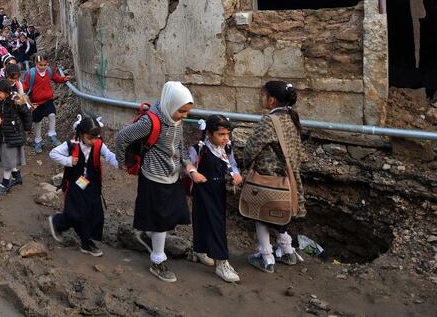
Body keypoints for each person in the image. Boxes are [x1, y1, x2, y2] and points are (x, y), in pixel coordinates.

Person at [114, 81, 197, 283]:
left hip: (172, 175)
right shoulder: (150, 122)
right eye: (182, 111)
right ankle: (157, 260)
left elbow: (180, 146)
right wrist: (121, 160)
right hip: (154, 177)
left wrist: (188, 166)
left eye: (186, 112)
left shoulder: (175, 119)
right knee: (161, 219)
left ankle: (148, 234)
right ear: (171, 104)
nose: (184, 116)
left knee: (170, 215)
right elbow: (122, 137)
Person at [238, 80, 306, 274]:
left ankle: (266, 256)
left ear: (272, 101)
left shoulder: (270, 121)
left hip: (269, 177)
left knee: (261, 214)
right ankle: (287, 250)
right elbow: (300, 151)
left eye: (263, 96)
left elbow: (252, 147)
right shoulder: (292, 118)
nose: (261, 99)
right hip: (289, 177)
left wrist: (246, 163)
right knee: (280, 213)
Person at [48, 116, 118, 256]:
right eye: (90, 138)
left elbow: (109, 156)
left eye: (96, 137)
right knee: (76, 213)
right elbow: (53, 153)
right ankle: (57, 222)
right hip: (75, 184)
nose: (93, 141)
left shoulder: (98, 144)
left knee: (95, 213)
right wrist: (68, 160)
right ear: (81, 133)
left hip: (92, 183)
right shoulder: (72, 144)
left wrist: (121, 164)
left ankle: (87, 242)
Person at [188, 115, 242, 283]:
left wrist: (236, 174)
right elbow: (187, 164)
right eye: (221, 134)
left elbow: (232, 164)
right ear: (209, 133)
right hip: (202, 189)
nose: (225, 138)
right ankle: (222, 262)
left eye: (228, 134)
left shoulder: (227, 148)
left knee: (212, 220)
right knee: (209, 221)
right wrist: (193, 173)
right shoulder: (199, 149)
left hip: (218, 190)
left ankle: (200, 249)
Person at [0, 78, 32, 196]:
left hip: (13, 134)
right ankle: (17, 177)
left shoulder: (15, 100)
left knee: (7, 161)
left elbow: (26, 113)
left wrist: (27, 128)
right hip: (4, 134)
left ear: (6, 92)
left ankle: (4, 184)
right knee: (9, 158)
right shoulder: (0, 101)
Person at [22, 55, 70, 153]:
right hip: (36, 103)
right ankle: (38, 140)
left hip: (48, 100)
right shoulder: (31, 74)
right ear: (36, 64)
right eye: (41, 65)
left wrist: (64, 79)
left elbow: (56, 78)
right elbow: (25, 86)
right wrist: (21, 95)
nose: (43, 67)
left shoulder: (49, 71)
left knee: (52, 115)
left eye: (45, 64)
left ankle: (52, 134)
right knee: (37, 122)